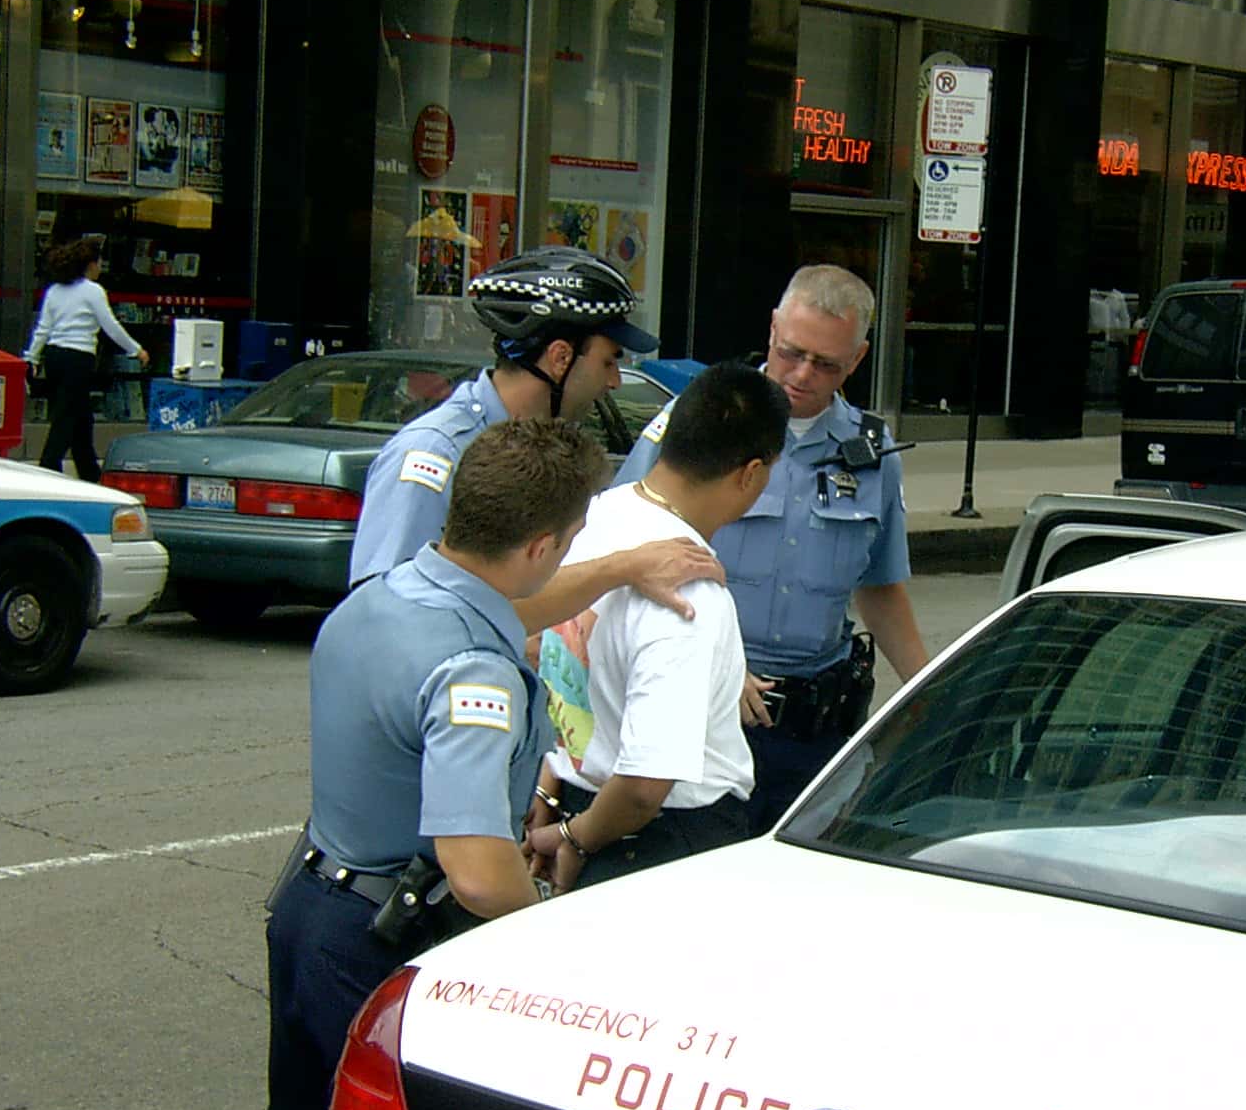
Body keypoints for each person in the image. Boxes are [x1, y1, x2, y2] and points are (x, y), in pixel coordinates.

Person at [255, 418, 610, 1110]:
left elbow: (495, 611)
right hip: (388, 938)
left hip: (310, 907)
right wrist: (553, 936)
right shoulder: (472, 670)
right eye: (573, 538)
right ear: (541, 546)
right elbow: (477, 873)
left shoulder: (382, 597)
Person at [615, 265, 930, 830]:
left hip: (814, 729)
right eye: (792, 352)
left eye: (826, 363)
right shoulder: (701, 421)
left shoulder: (872, 452)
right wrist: (721, 663)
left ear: (856, 361)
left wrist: (928, 693)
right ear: (771, 331)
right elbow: (623, 545)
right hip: (707, 714)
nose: (802, 374)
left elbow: (881, 588)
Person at [527, 363, 790, 891]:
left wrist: (554, 789)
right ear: (751, 474)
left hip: (585, 803)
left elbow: (554, 663)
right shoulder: (687, 588)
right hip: (658, 841)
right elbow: (648, 785)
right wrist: (576, 841)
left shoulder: (595, 518)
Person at [348, 244, 658, 586]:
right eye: (609, 362)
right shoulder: (436, 453)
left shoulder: (550, 451)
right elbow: (390, 605)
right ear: (559, 358)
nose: (614, 382)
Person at [23, 236, 149, 483]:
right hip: (78, 357)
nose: (101, 267)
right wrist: (136, 349)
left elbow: (43, 328)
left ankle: (90, 472)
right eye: (99, 262)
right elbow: (110, 326)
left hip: (54, 355)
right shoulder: (93, 292)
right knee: (66, 416)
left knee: (80, 417)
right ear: (90, 264)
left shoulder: (54, 291)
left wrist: (32, 356)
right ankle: (48, 467)